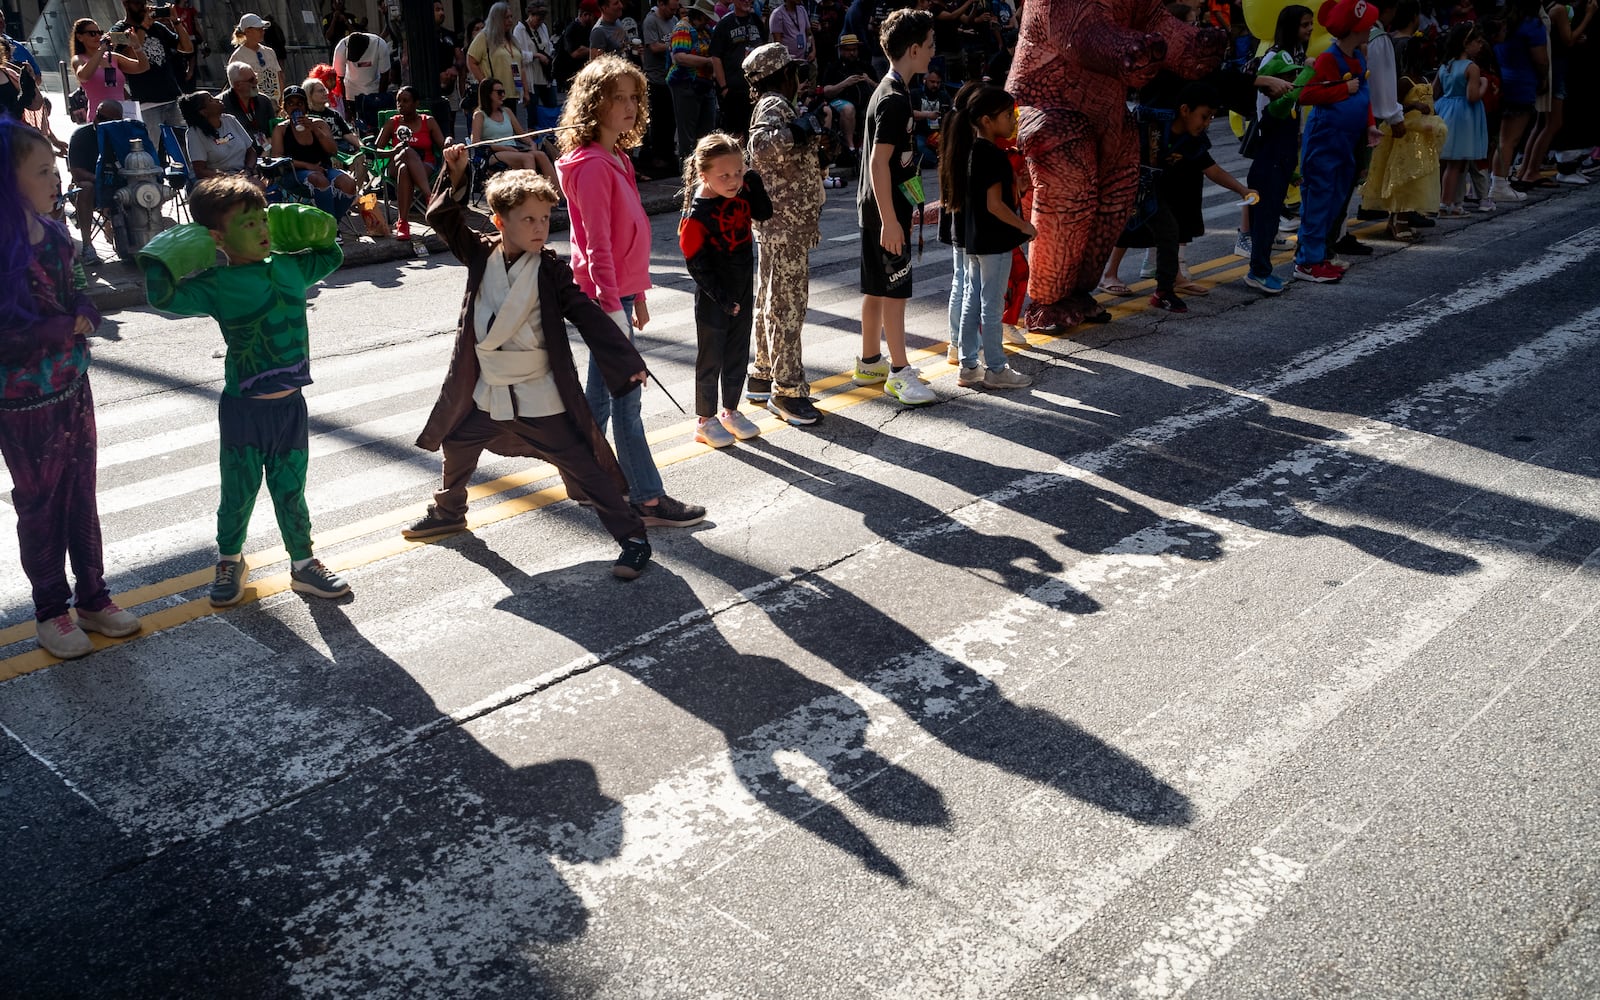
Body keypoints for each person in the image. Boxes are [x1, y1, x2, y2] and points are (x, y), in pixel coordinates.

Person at [408, 145, 654, 579]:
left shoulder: (552, 271)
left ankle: (633, 539)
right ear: (500, 222)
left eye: (544, 219)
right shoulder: (481, 255)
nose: (540, 228)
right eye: (528, 220)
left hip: (541, 396)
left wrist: (624, 359)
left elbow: (587, 313)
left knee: (586, 465)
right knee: (458, 442)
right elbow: (443, 219)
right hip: (491, 392)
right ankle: (449, 511)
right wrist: (456, 172)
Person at [138, 178, 350, 606]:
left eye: (263, 220)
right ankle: (230, 559)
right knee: (237, 493)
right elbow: (163, 298)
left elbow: (332, 253)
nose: (261, 230)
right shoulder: (218, 285)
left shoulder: (291, 267)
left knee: (292, 491)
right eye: (248, 223)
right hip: (243, 412)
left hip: (290, 407)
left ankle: (304, 564)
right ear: (217, 237)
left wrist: (309, 225)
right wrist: (166, 256)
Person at [0, 119, 141, 660]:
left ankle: (94, 597)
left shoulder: (56, 233)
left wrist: (85, 308)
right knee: (39, 505)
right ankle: (49, 612)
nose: (55, 179)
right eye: (41, 171)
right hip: (21, 402)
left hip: (72, 388)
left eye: (54, 169)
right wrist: (56, 328)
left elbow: (79, 282)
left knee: (82, 494)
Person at [555, 54, 706, 527]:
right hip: (604, 298)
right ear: (593, 103)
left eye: (633, 97)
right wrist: (611, 307)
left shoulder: (615, 156)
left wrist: (635, 293)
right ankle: (646, 497)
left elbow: (623, 235)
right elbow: (596, 243)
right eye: (616, 97)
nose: (627, 106)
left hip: (617, 293)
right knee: (628, 399)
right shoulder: (595, 165)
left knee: (600, 395)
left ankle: (582, 478)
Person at [852, 8, 938, 406]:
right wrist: (891, 220)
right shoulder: (894, 99)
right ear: (915, 48)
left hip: (875, 206)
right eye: (931, 45)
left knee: (875, 288)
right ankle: (899, 373)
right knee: (895, 291)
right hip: (888, 210)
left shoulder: (890, 90)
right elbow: (878, 162)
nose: (934, 53)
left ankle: (870, 361)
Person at [744, 42, 825, 425]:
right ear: (784, 75)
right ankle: (788, 390)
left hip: (780, 223)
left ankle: (761, 374)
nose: (800, 80)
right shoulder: (775, 104)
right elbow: (759, 147)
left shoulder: (773, 104)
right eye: (795, 73)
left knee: (769, 300)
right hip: (785, 225)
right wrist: (797, 129)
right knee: (788, 307)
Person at [677, 132, 773, 447]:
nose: (733, 181)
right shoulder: (698, 214)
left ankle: (730, 410)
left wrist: (753, 180)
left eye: (738, 171)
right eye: (724, 175)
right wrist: (721, 297)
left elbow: (764, 213)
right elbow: (696, 264)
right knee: (711, 356)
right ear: (703, 175)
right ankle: (705, 419)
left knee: (736, 351)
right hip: (714, 296)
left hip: (742, 285)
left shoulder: (742, 190)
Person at [939, 82, 1033, 389]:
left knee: (972, 300)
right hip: (993, 242)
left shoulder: (970, 151)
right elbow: (995, 205)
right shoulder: (991, 154)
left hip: (975, 241)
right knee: (991, 307)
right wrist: (1024, 227)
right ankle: (996, 368)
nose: (1013, 121)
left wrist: (1014, 187)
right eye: (1007, 115)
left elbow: (989, 198)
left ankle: (968, 366)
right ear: (987, 121)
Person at [1292, 0, 1379, 283]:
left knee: (1336, 199)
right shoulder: (1329, 58)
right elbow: (1305, 95)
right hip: (1325, 138)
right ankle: (1307, 262)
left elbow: (1364, 92)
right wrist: (1343, 88)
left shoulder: (1358, 55)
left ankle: (1320, 256)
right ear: (1356, 28)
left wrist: (1370, 125)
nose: (1371, 29)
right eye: (1368, 24)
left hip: (1347, 140)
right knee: (1318, 199)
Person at [1242, 4, 1313, 295]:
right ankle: (1258, 271)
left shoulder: (1291, 54)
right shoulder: (1276, 57)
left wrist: (1292, 168)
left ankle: (1261, 268)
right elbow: (1279, 107)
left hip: (1280, 154)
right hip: (1269, 150)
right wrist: (1306, 75)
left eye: (1311, 24)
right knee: (1267, 218)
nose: (1309, 30)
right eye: (1304, 25)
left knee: (1270, 219)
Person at [1362, 32, 1448, 239]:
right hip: (1406, 138)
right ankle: (1398, 220)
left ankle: (1402, 218)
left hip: (1422, 139)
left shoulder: (1426, 78)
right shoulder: (1404, 81)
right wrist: (1413, 106)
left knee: (1417, 181)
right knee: (1402, 178)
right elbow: (1394, 105)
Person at [1516, 0, 1594, 188]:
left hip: (1553, 66)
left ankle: (1526, 169)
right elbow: (1567, 40)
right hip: (1555, 68)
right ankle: (1531, 170)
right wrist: (1589, 15)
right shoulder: (1558, 9)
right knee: (1553, 123)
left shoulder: (1548, 8)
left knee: (1541, 123)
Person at [271, 85, 358, 218]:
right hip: (295, 173)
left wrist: (314, 130)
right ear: (285, 107)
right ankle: (331, 229)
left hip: (323, 169)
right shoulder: (281, 129)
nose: (295, 107)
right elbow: (277, 158)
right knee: (319, 179)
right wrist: (307, 166)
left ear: (306, 106)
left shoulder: (319, 124)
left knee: (349, 183)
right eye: (291, 103)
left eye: (299, 103)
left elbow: (333, 151)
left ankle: (332, 225)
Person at [1492, 0, 1549, 201]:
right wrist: (1543, 77)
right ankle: (1500, 183)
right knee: (1511, 139)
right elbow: (1541, 59)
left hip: (1503, 78)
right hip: (1522, 81)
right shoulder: (1531, 25)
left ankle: (1494, 181)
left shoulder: (1503, 22)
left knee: (1501, 138)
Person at [114, 0, 194, 144]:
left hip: (171, 97)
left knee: (184, 146)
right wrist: (143, 27)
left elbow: (187, 48)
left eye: (145, 3)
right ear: (126, 4)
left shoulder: (158, 27)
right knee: (151, 150)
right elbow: (128, 57)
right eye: (138, 3)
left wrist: (175, 21)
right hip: (146, 103)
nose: (142, 6)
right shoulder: (118, 30)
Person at [374, 86, 446, 241]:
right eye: (398, 101)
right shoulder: (392, 123)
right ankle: (430, 197)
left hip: (424, 164)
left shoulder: (429, 122)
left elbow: (442, 145)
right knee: (406, 152)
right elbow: (376, 150)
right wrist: (394, 151)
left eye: (405, 101)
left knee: (405, 169)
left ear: (416, 103)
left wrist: (449, 141)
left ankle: (403, 223)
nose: (400, 105)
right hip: (395, 160)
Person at [1436, 22, 1490, 215]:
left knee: (1448, 163)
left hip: (1445, 109)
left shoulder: (1445, 65)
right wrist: (1484, 84)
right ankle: (1447, 203)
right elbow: (1472, 96)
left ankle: (1450, 202)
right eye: (1477, 41)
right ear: (1466, 43)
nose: (1480, 45)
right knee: (1455, 164)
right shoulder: (1471, 67)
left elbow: (1436, 90)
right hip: (1463, 116)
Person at [472, 76, 560, 184]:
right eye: (499, 92)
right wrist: (502, 147)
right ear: (488, 94)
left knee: (541, 155)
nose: (503, 95)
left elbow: (521, 134)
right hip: (493, 153)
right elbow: (475, 142)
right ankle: (531, 193)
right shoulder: (480, 115)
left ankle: (561, 196)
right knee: (527, 158)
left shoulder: (507, 111)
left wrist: (531, 143)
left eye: (503, 92)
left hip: (513, 149)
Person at [669, 0, 726, 161]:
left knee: (706, 130)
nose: (707, 22)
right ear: (698, 15)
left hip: (705, 84)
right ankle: (686, 170)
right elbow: (680, 57)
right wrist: (708, 62)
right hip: (685, 84)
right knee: (687, 133)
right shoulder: (682, 28)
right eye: (705, 18)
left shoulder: (706, 31)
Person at [710, 0, 768, 138]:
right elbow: (715, 57)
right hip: (733, 90)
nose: (747, 1)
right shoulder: (724, 24)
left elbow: (765, 50)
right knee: (735, 135)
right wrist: (724, 88)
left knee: (755, 131)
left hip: (756, 88)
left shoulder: (757, 21)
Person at [179, 90, 260, 184]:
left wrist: (248, 170)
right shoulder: (194, 134)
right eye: (210, 100)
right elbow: (200, 171)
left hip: (243, 175)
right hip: (215, 181)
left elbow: (251, 152)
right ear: (203, 112)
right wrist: (229, 178)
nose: (217, 99)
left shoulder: (230, 120)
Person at [72, 18, 143, 122]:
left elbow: (142, 67)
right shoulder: (79, 59)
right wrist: (101, 49)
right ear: (79, 37)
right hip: (99, 118)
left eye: (99, 33)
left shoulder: (112, 57)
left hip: (122, 115)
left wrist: (136, 46)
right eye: (92, 33)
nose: (97, 36)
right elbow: (83, 76)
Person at [820, 33, 876, 159]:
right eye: (848, 50)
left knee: (875, 107)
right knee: (848, 108)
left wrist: (869, 81)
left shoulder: (865, 66)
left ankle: (865, 145)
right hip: (840, 101)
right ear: (841, 50)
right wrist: (845, 83)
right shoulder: (833, 67)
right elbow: (826, 91)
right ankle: (851, 147)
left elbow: (881, 88)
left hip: (865, 101)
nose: (852, 53)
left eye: (854, 50)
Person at [642, 0, 682, 173]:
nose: (673, 13)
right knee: (658, 121)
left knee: (671, 120)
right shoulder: (651, 21)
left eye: (675, 9)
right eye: (670, 9)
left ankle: (668, 155)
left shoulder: (673, 21)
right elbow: (654, 46)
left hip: (671, 77)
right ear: (661, 4)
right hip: (656, 78)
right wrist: (675, 45)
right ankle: (657, 158)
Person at [333, 26, 392, 131]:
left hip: (373, 89)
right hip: (350, 91)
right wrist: (346, 108)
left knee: (374, 126)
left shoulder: (379, 44)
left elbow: (385, 74)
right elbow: (339, 78)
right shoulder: (341, 47)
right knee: (356, 126)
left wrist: (380, 98)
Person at [469, 3, 524, 114]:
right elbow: (471, 60)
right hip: (494, 95)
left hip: (512, 93)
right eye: (506, 17)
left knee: (511, 128)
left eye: (511, 17)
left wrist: (525, 91)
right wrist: (485, 83)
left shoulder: (511, 39)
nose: (510, 20)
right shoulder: (484, 37)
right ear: (497, 19)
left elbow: (520, 66)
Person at [228, 13, 281, 107]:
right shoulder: (238, 57)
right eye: (258, 29)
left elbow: (279, 75)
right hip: (254, 105)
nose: (263, 32)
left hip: (275, 104)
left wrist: (281, 99)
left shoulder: (270, 52)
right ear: (247, 31)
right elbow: (236, 87)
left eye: (263, 29)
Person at [220, 59, 275, 149]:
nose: (256, 82)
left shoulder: (264, 101)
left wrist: (268, 149)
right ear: (237, 85)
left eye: (256, 77)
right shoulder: (220, 106)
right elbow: (219, 141)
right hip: (237, 157)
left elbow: (274, 132)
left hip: (267, 153)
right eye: (251, 80)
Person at [516, 1, 558, 109]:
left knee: (552, 107)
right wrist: (536, 55)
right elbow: (518, 55)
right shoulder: (519, 30)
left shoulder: (543, 27)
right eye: (538, 19)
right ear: (530, 15)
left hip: (545, 76)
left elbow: (548, 46)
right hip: (532, 78)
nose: (540, 22)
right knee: (533, 112)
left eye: (542, 19)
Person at [911, 65, 951, 169]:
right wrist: (927, 115)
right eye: (932, 82)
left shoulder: (943, 95)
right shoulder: (916, 94)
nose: (935, 85)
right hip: (922, 133)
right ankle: (938, 161)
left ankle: (937, 160)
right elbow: (911, 113)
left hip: (939, 133)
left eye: (938, 82)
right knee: (920, 147)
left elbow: (950, 114)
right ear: (925, 81)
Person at [555, 0, 600, 91]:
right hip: (571, 76)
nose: (595, 20)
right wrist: (595, 50)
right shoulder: (572, 29)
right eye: (594, 17)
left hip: (585, 74)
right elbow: (576, 52)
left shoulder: (590, 29)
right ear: (585, 15)